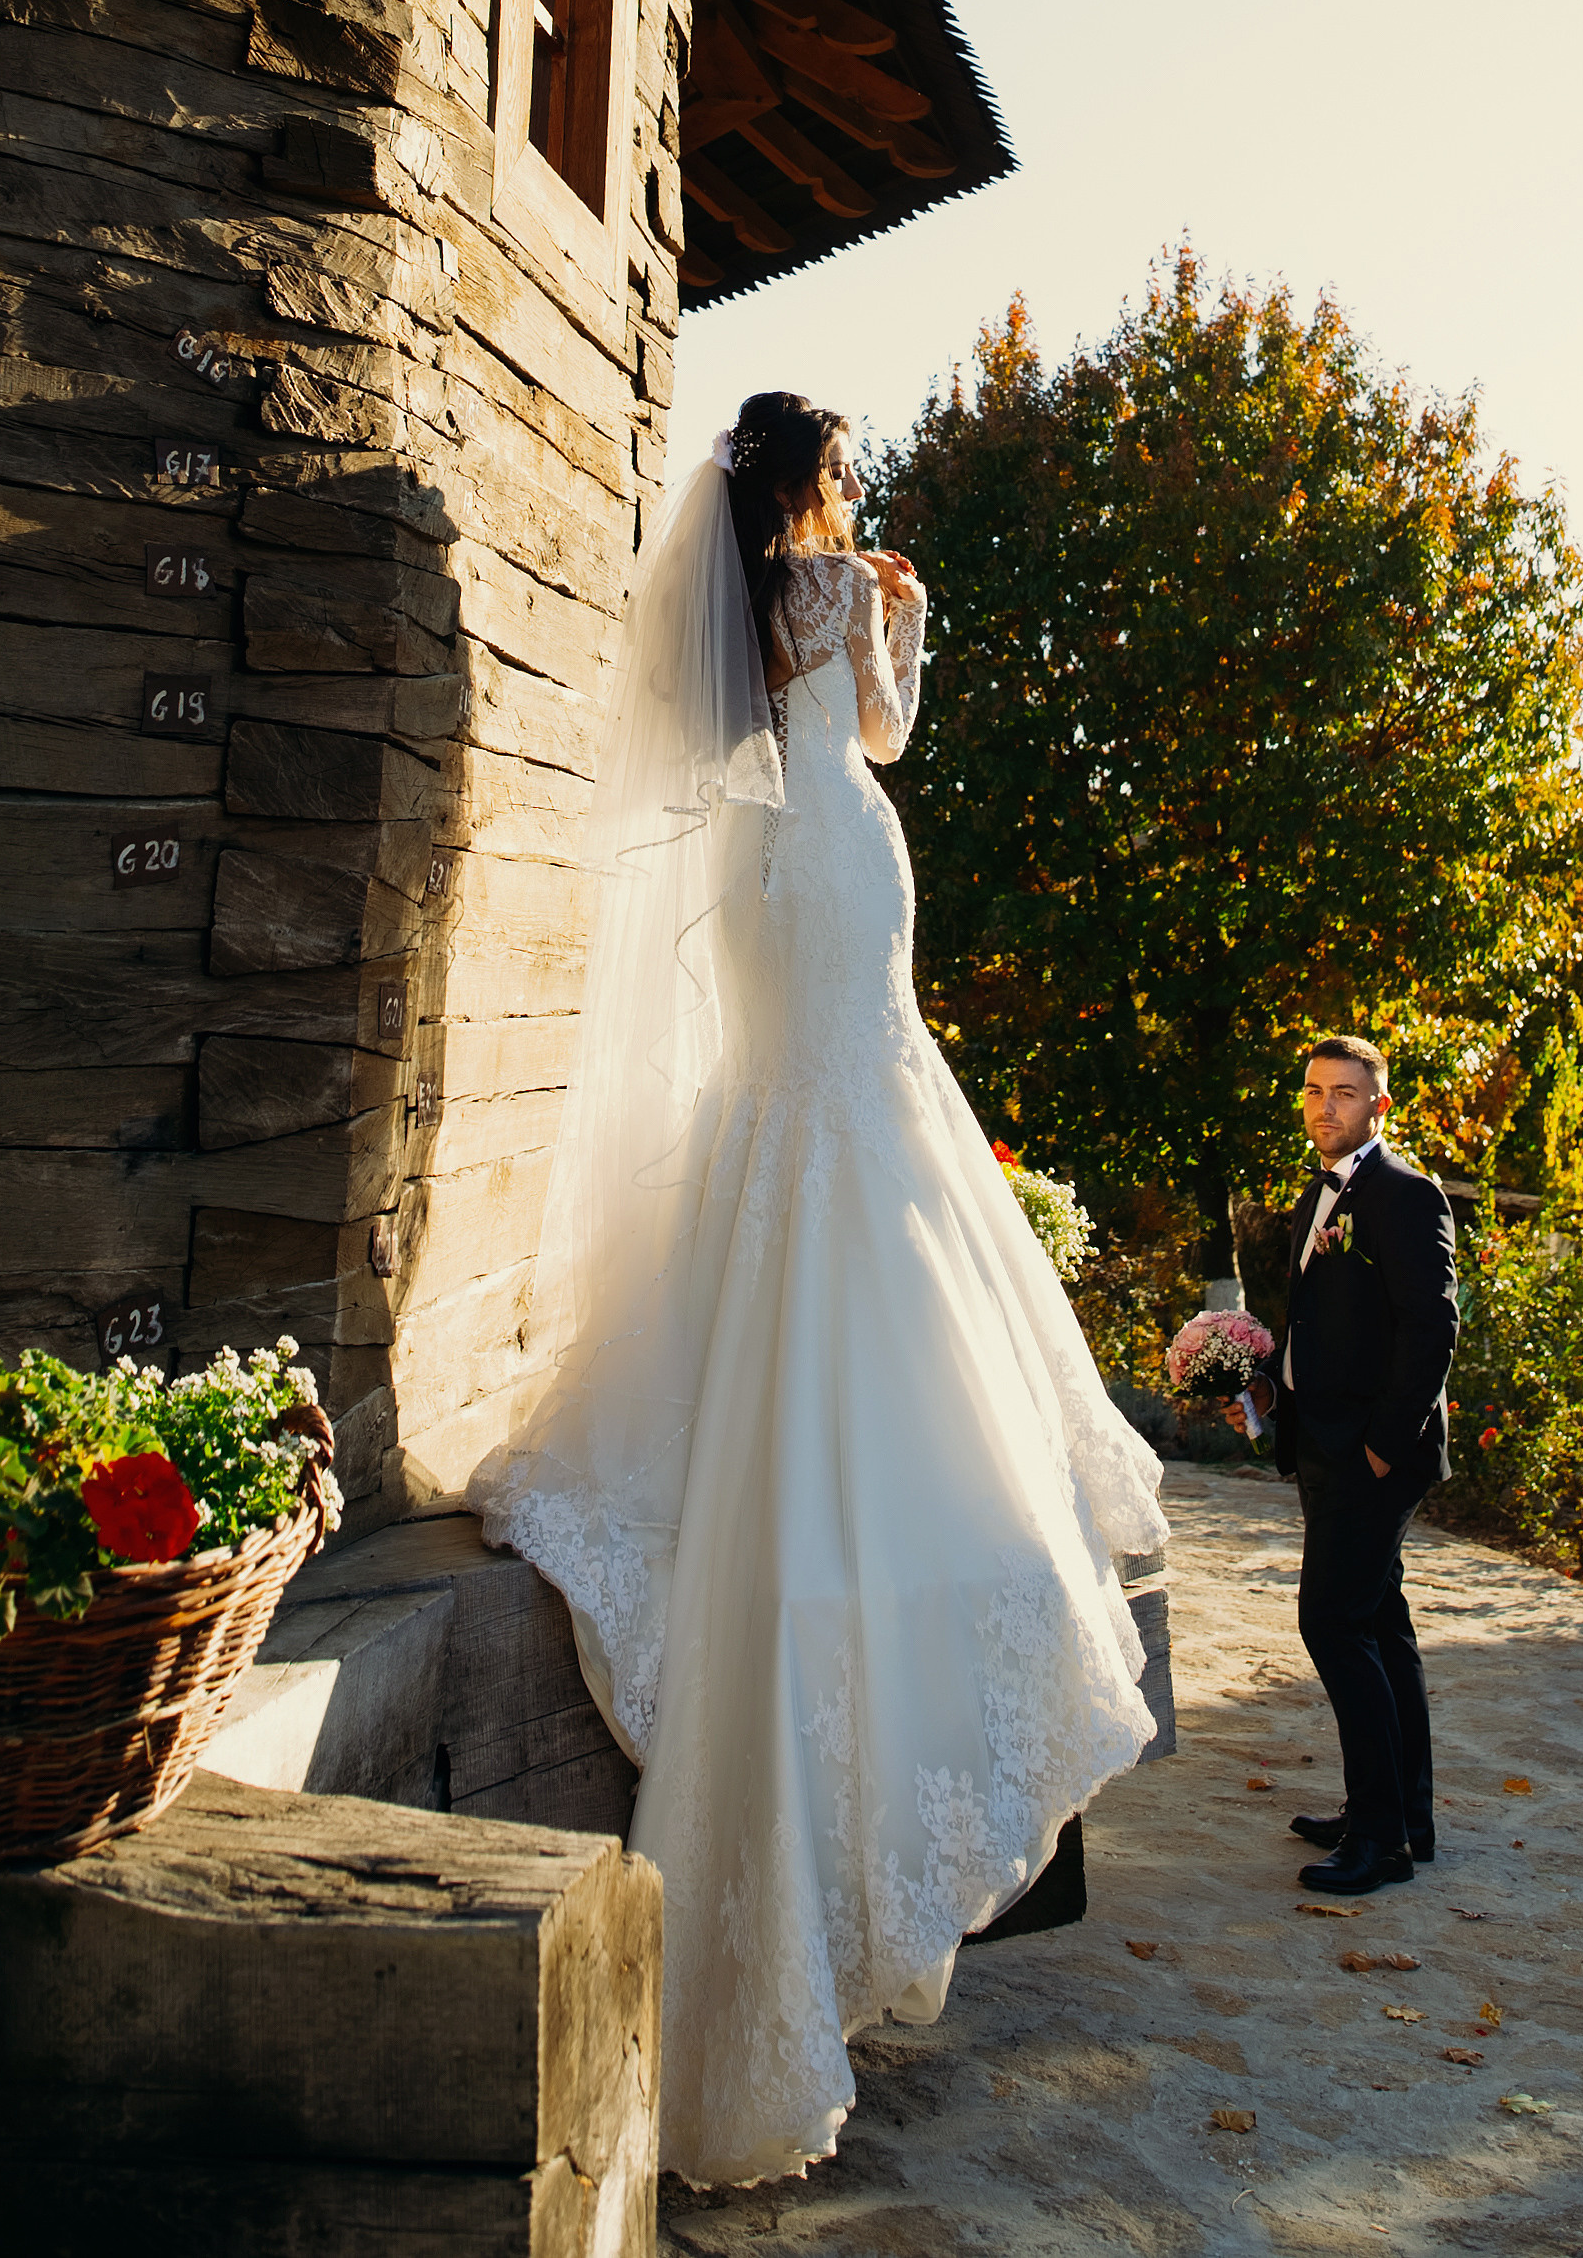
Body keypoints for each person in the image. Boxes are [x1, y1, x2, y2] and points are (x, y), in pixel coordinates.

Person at [472, 394, 1165, 2187]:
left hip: (754, 865)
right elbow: (888, 734)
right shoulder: (851, 582)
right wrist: (902, 619)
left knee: (776, 1104)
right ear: (822, 486)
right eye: (847, 477)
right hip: (843, 849)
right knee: (866, 1102)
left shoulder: (711, 599)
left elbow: (709, 740)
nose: (856, 503)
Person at [1242, 1036, 1457, 1898]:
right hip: (1322, 1443)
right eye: (1312, 1091)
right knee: (1378, 1626)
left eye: (1344, 1093)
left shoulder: (1404, 1196)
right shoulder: (1315, 1196)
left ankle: (1379, 1842)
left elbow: (1433, 1327)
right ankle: (1404, 1815)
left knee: (1331, 1625)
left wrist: (1381, 1443)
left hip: (1373, 1454)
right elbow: (1319, 1327)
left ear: (1379, 1106)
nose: (1324, 1106)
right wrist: (1263, 1389)